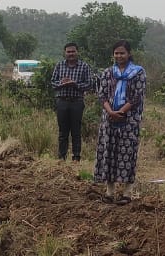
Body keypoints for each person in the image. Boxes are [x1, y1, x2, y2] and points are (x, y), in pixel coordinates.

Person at [93, 41, 147, 203]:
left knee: (127, 153)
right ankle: (109, 192)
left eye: (122, 53)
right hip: (109, 119)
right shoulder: (108, 72)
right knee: (109, 152)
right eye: (116, 53)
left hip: (129, 120)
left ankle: (127, 193)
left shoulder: (138, 72)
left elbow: (137, 96)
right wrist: (111, 111)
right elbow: (102, 94)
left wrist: (122, 111)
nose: (119, 56)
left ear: (129, 54)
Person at [50, 43, 96, 162]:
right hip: (62, 102)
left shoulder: (84, 66)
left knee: (76, 131)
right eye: (68, 52)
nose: (71, 54)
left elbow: (90, 84)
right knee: (62, 131)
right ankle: (61, 157)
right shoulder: (59, 65)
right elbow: (53, 82)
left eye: (73, 51)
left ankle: (76, 157)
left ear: (77, 52)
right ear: (65, 53)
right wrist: (62, 84)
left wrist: (75, 85)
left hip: (77, 102)